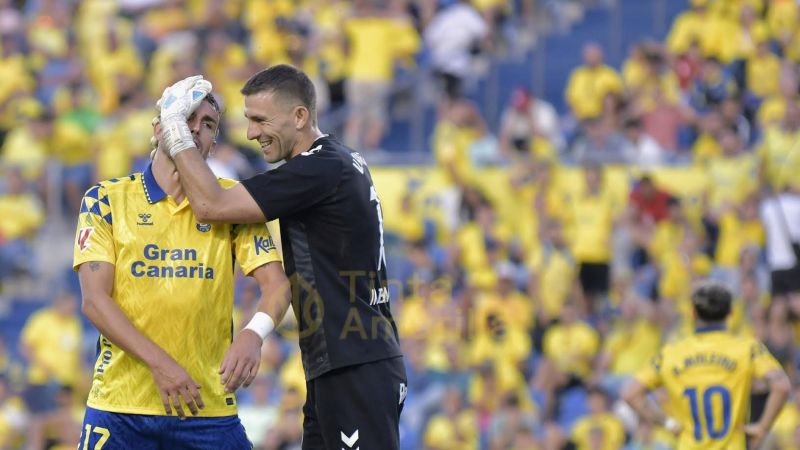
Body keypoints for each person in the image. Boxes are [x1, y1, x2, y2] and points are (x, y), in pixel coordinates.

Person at [157, 65, 406, 449]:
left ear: (300, 116)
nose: (252, 133)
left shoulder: (319, 169)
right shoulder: (338, 160)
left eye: (260, 120)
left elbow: (210, 204)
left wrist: (175, 130)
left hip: (354, 365)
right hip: (345, 362)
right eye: (247, 121)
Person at [73, 86, 291, 449]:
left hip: (206, 409)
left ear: (213, 143)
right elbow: (95, 302)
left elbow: (278, 286)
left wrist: (254, 334)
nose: (195, 129)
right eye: (186, 118)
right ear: (159, 129)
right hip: (120, 408)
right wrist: (161, 365)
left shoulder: (234, 201)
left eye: (207, 124)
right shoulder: (105, 199)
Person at [622, 281, 791, 450]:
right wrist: (762, 428)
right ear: (731, 312)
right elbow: (781, 385)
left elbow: (631, 393)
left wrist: (668, 423)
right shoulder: (747, 349)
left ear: (693, 313)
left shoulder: (671, 353)